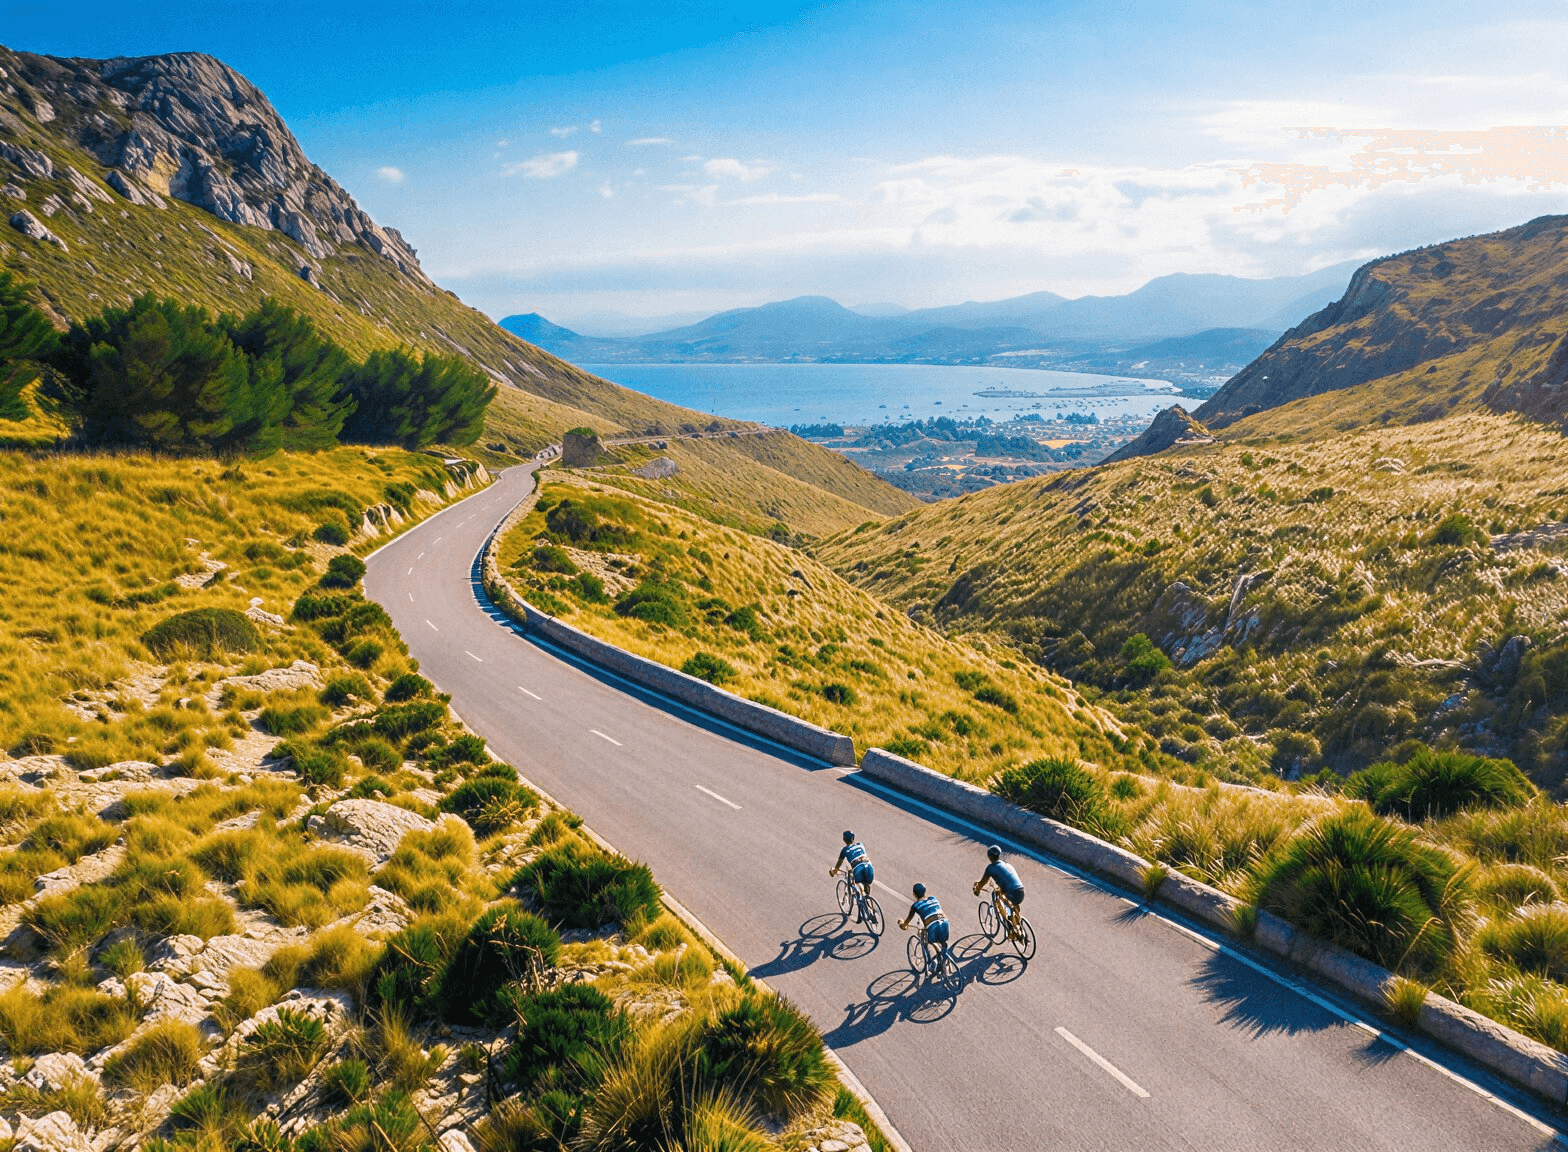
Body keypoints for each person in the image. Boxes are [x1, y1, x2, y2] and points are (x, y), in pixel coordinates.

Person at [974, 844, 1026, 930]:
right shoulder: (1007, 865)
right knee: (1009, 903)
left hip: (1012, 894)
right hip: (1021, 892)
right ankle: (1017, 923)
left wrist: (977, 890)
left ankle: (1009, 926)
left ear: (990, 857)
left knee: (1000, 904)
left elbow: (983, 882)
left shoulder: (990, 868)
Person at [898, 882, 950, 950]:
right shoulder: (933, 898)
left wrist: (903, 924)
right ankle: (944, 951)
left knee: (929, 940)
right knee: (942, 938)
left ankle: (936, 953)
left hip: (933, 927)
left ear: (914, 895)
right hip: (945, 923)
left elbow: (906, 922)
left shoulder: (915, 906)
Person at [829, 830, 875, 902]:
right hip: (869, 867)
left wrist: (834, 871)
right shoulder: (861, 844)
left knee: (857, 883)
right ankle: (868, 902)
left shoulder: (845, 850)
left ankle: (861, 901)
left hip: (858, 868)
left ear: (844, 839)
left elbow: (839, 863)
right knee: (866, 883)